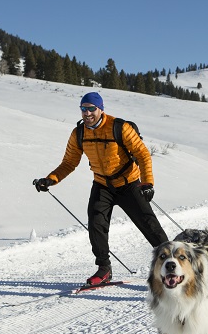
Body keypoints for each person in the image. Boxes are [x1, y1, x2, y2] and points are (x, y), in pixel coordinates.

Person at [34, 92, 168, 286]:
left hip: (128, 182)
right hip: (102, 184)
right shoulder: (79, 133)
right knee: (96, 223)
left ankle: (170, 262)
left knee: (149, 224)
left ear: (100, 109)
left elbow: (143, 154)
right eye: (83, 108)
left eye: (91, 108)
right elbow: (69, 162)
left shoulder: (119, 127)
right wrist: (50, 179)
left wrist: (147, 183)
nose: (87, 113)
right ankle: (104, 269)